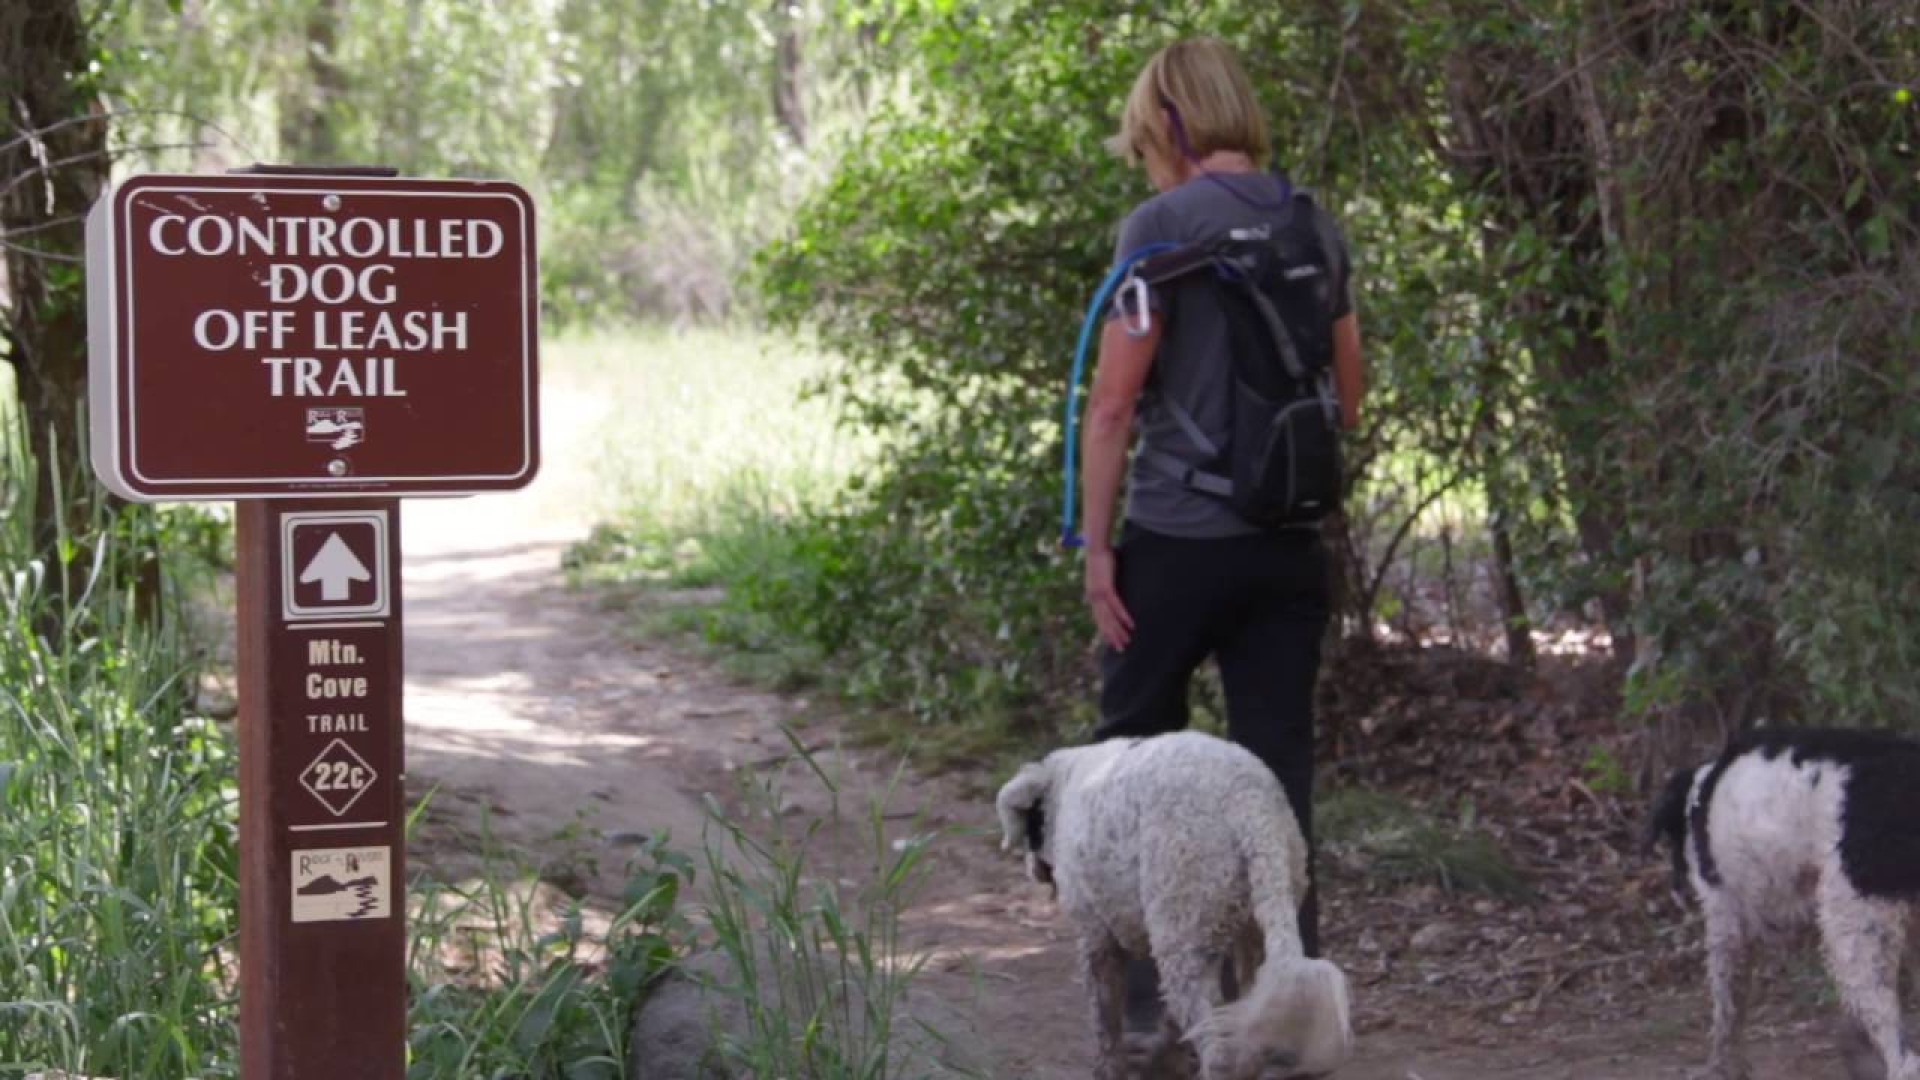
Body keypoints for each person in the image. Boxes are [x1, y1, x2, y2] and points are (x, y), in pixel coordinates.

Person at [1076, 34, 1366, 1006]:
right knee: (1279, 777)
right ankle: (1291, 1002)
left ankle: (1159, 1011)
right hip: (1288, 550)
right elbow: (1350, 395)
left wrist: (1099, 552)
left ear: (1170, 120)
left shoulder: (1156, 228)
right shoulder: (1314, 224)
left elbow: (1112, 405)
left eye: (1145, 131)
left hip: (1175, 548)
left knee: (1134, 769)